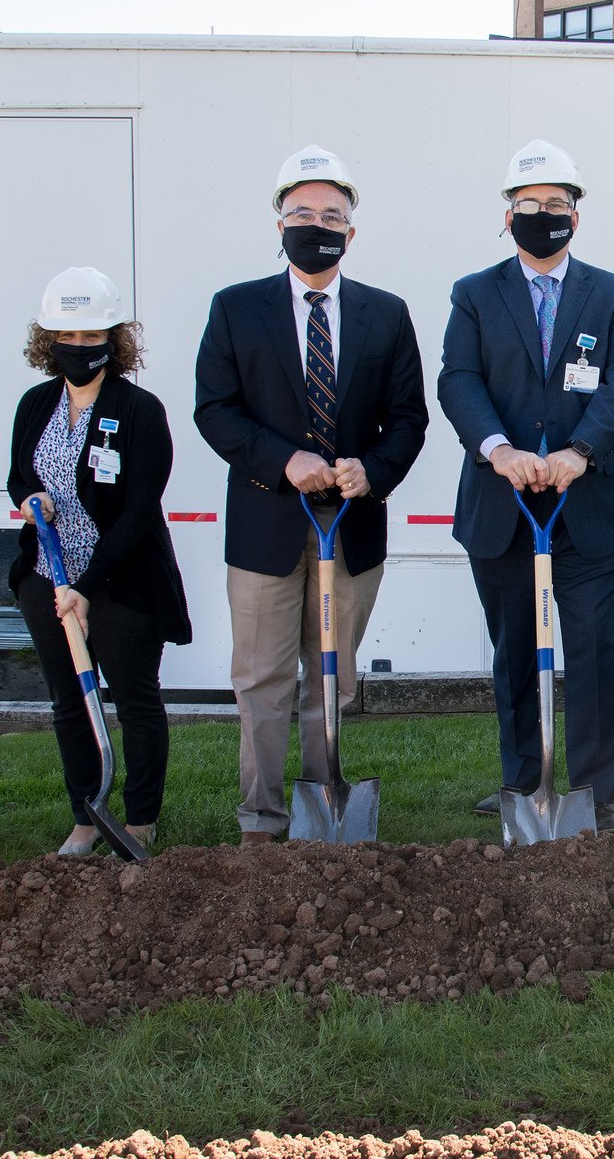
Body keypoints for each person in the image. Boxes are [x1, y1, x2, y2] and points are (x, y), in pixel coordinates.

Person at [195, 145, 429, 846]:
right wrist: (282, 458)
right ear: (279, 224)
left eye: (332, 216)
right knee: (262, 679)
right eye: (302, 213)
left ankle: (324, 806)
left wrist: (373, 470)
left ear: (351, 233)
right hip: (269, 520)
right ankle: (262, 822)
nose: (317, 225)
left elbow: (410, 417)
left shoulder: (386, 315)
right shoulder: (236, 309)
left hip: (350, 526)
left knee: (333, 677)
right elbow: (215, 409)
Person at [437, 139, 614, 832]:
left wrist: (581, 450)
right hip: (504, 504)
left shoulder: (612, 295)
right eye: (530, 205)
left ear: (577, 216)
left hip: (590, 504)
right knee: (516, 649)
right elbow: (458, 380)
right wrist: (498, 450)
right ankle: (523, 781)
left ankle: (589, 792)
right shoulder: (473, 294)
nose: (544, 215)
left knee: (589, 649)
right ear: (507, 214)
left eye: (558, 204)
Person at [8, 267, 191, 855]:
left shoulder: (139, 410)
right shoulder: (36, 404)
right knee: (69, 703)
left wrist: (86, 586)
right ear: (49, 339)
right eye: (69, 336)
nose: (80, 347)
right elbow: (20, 477)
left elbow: (139, 511)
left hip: (121, 583)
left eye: (93, 336)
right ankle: (86, 816)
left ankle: (139, 818)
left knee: (134, 699)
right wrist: (28, 499)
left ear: (114, 338)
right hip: (48, 579)